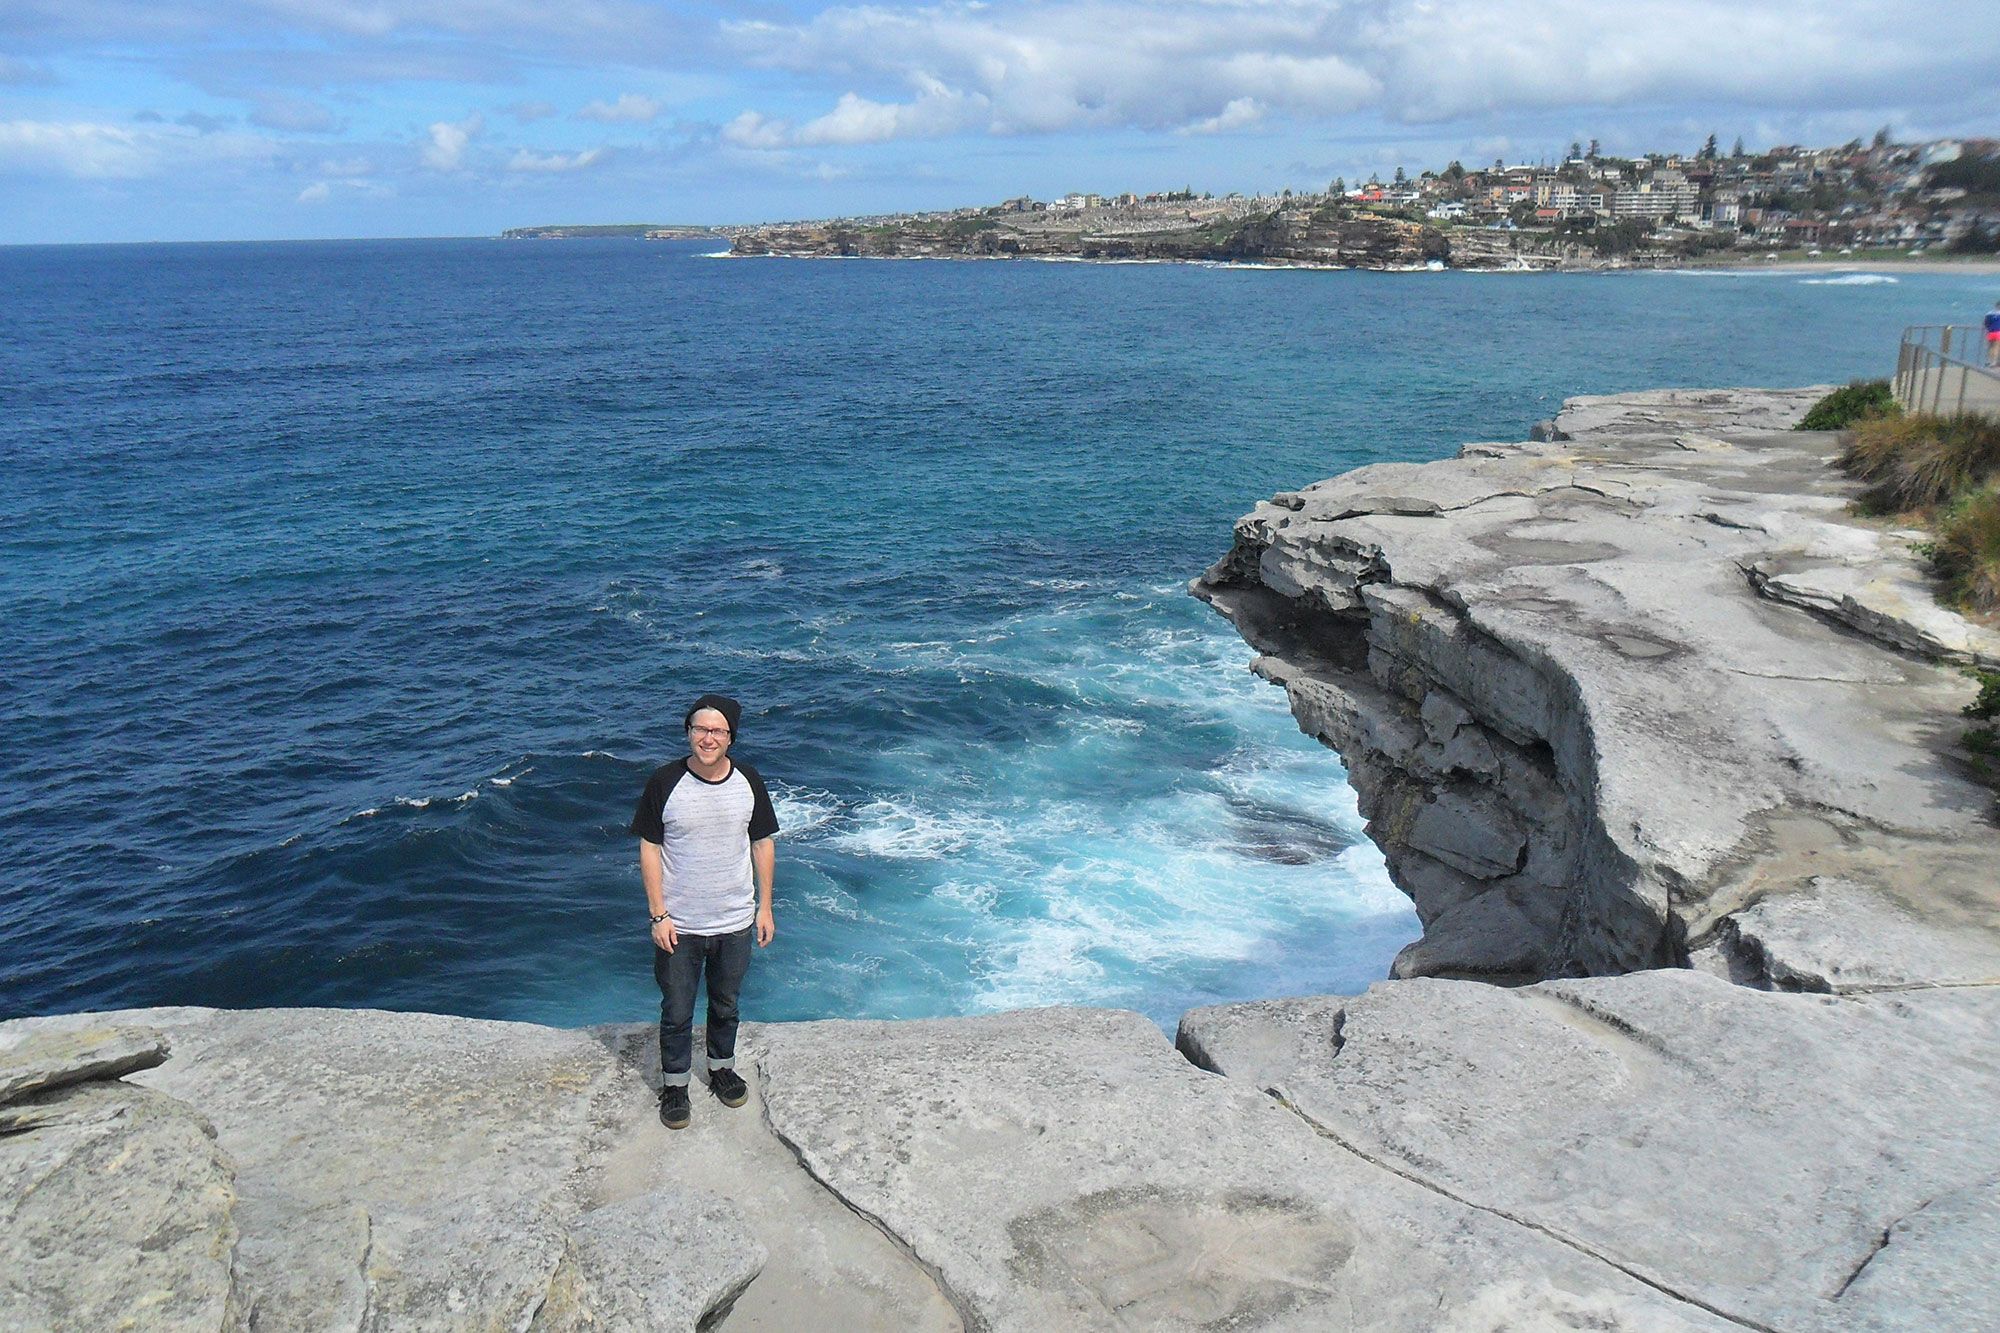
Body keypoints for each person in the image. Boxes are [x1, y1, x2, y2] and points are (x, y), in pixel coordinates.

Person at [629, 694, 778, 1129]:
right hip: (680, 924)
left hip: (734, 920)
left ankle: (720, 1069)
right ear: (688, 732)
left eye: (717, 731)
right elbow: (649, 847)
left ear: (731, 737)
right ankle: (675, 1087)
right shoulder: (664, 782)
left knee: (726, 1003)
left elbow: (762, 843)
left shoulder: (749, 780)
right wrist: (658, 914)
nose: (707, 738)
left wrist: (764, 907)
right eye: (700, 729)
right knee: (677, 1009)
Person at [1986, 300, 2000, 369]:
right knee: (1996, 347)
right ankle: (1994, 362)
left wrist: (1988, 328)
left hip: (1991, 332)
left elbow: (1986, 323)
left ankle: (1989, 361)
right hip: (1998, 332)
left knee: (1990, 347)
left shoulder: (1989, 313)